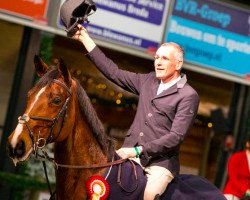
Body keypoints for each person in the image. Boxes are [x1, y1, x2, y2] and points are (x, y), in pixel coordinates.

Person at [73, 24, 199, 200]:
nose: (158, 62)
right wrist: (85, 39)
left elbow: (175, 137)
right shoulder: (148, 80)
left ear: (178, 64)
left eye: (164, 58)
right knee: (98, 183)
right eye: (156, 57)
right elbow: (113, 72)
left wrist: (138, 151)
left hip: (159, 164)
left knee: (148, 195)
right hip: (128, 153)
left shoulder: (188, 95)